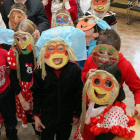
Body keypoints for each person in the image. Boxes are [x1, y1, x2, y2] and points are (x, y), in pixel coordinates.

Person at [30, 26, 84, 140]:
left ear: (67, 50)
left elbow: (78, 92)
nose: (56, 54)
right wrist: (36, 116)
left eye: (60, 48)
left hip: (66, 116)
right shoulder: (40, 70)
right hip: (47, 117)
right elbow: (36, 93)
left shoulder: (74, 69)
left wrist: (77, 113)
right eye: (50, 49)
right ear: (44, 51)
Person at [82, 29, 140, 119]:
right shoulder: (91, 59)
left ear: (118, 51)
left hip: (111, 106)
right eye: (100, 52)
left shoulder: (125, 65)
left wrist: (138, 104)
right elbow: (83, 75)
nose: (104, 58)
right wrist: (87, 75)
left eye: (110, 54)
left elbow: (137, 88)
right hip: (90, 102)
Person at [75, 64, 135, 140]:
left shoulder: (113, 114)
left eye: (107, 83)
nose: (100, 88)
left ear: (118, 86)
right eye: (97, 81)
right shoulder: (94, 99)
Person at [7, 19, 40, 139]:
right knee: (31, 118)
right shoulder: (14, 52)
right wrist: (22, 101)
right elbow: (13, 79)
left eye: (25, 38)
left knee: (41, 120)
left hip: (39, 92)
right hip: (22, 92)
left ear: (33, 35)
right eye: (18, 39)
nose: (21, 43)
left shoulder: (40, 51)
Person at [0, 38, 18, 140]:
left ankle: (12, 136)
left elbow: (9, 70)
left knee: (10, 118)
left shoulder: (3, 52)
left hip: (5, 92)